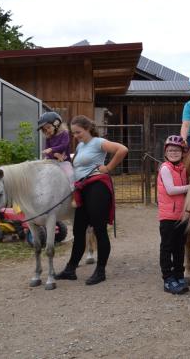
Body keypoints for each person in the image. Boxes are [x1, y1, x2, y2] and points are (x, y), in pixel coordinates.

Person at [55, 115, 128, 285]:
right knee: (79, 230)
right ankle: (70, 269)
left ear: (87, 128)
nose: (76, 136)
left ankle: (100, 271)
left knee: (99, 229)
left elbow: (122, 149)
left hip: (97, 187)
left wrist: (108, 168)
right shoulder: (80, 146)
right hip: (82, 189)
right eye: (73, 133)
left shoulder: (98, 142)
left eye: (78, 132)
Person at [157, 135, 190, 295]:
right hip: (168, 216)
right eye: (170, 150)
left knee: (179, 248)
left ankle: (179, 274)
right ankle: (168, 278)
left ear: (183, 152)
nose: (173, 153)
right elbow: (171, 190)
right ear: (165, 152)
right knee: (167, 247)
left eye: (177, 150)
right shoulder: (165, 168)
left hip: (181, 215)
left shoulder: (183, 168)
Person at [37, 111, 74, 185]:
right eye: (44, 130)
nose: (47, 130)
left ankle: (73, 191)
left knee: (70, 175)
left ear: (56, 124)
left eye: (48, 127)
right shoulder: (49, 138)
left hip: (64, 161)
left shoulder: (64, 133)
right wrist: (55, 155)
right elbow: (48, 152)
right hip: (52, 162)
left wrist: (52, 149)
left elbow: (64, 145)